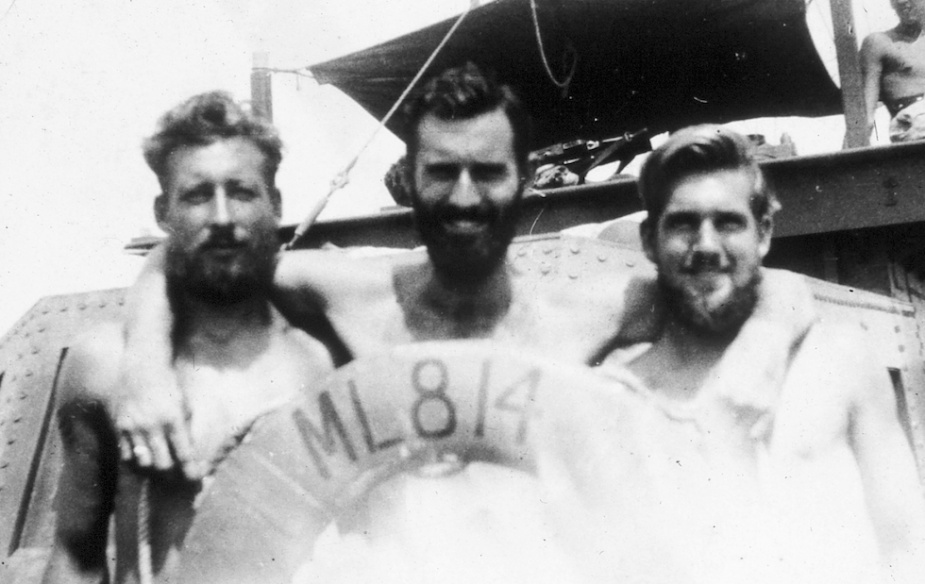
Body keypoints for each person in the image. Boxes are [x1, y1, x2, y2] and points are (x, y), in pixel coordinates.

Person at [115, 63, 815, 480]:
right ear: (408, 179)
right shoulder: (349, 293)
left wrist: (762, 343)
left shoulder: (591, 308)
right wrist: (144, 367)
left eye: (487, 172)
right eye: (441, 172)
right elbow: (187, 258)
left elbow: (764, 281)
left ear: (526, 179)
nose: (463, 198)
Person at [592, 125, 925, 583]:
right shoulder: (613, 399)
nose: (706, 246)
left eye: (727, 222)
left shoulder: (841, 362)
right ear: (650, 240)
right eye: (683, 223)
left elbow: (908, 547)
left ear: (764, 233)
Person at [41, 92, 334, 583]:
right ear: (163, 211)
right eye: (197, 195)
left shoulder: (322, 361)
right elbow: (75, 556)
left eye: (242, 192)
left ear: (275, 204)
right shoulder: (105, 365)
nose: (222, 217)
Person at [860, 0, 925, 142]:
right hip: (915, 126)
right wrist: (846, 161)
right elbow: (865, 118)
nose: (903, 1)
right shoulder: (879, 43)